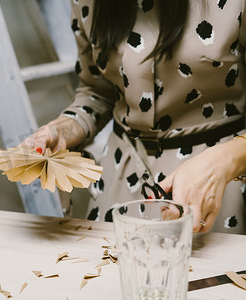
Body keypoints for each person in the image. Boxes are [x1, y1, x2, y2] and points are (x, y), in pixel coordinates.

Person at [22, 0, 246, 234]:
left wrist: (225, 161)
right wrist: (64, 128)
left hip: (217, 188)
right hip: (118, 191)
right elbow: (97, 92)